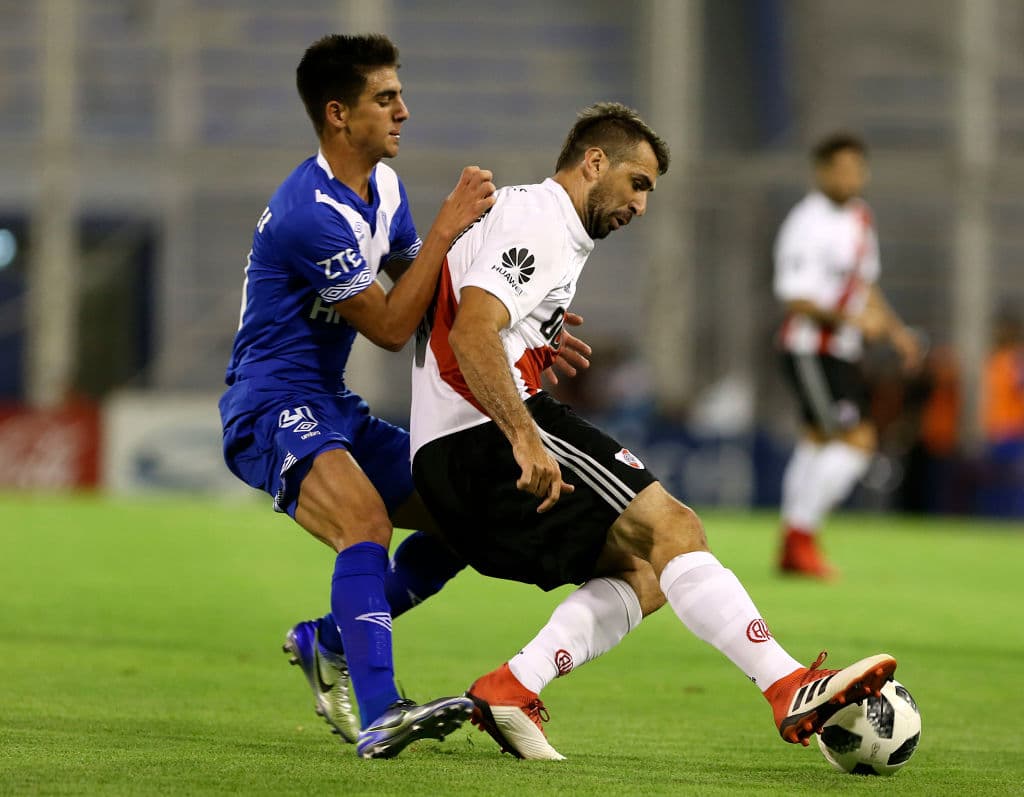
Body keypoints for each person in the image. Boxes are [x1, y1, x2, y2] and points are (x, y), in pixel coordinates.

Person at [409, 102, 898, 760]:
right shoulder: (539, 215)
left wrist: (535, 339)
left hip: (454, 457)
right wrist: (524, 435)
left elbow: (470, 315)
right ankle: (788, 685)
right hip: (481, 437)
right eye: (637, 183)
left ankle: (510, 685)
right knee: (676, 529)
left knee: (650, 570)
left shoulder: (543, 227)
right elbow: (471, 331)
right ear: (593, 162)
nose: (642, 205)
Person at [217, 33, 499, 759]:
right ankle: (381, 712)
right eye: (386, 98)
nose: (404, 110)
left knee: (466, 513)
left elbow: (427, 294)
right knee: (366, 520)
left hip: (330, 403)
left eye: (399, 94)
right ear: (339, 114)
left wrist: (517, 325)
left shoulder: (386, 190)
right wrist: (447, 224)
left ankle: (331, 639)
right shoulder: (312, 211)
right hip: (270, 403)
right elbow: (388, 323)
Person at [772, 132, 921, 578]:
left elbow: (865, 285)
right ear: (820, 172)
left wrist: (896, 332)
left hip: (839, 351)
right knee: (858, 443)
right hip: (809, 349)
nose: (849, 177)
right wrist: (855, 322)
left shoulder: (860, 217)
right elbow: (794, 298)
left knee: (816, 443)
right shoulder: (806, 223)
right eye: (840, 168)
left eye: (856, 168)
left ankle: (792, 547)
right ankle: (800, 539)